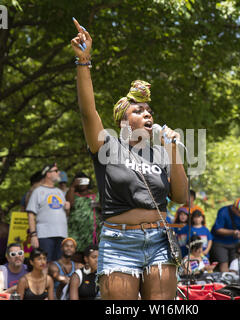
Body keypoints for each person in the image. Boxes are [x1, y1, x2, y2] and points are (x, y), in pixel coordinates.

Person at [71, 18, 188, 300]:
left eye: (150, 110)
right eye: (139, 110)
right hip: (120, 242)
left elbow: (181, 196)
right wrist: (84, 63)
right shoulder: (107, 146)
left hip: (160, 240)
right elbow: (88, 112)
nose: (148, 114)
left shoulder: (160, 152)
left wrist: (173, 150)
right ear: (123, 121)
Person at [26, 163, 70, 262]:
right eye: (55, 170)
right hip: (45, 235)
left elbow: (65, 215)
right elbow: (31, 214)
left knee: (58, 266)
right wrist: (33, 235)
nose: (58, 173)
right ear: (48, 174)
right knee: (45, 264)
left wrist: (67, 209)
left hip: (62, 234)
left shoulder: (60, 192)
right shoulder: (38, 191)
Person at [210, 198, 240, 272]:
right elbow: (218, 229)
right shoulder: (223, 212)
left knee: (235, 263)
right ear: (234, 208)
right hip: (220, 242)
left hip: (235, 243)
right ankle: (225, 281)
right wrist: (232, 232)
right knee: (224, 263)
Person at [66, 172, 100, 251]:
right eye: (79, 181)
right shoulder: (72, 194)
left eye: (85, 180)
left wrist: (98, 205)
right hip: (76, 232)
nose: (82, 183)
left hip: (92, 234)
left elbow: (104, 208)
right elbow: (69, 203)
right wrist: (72, 187)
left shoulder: (95, 196)